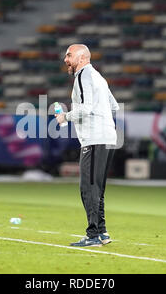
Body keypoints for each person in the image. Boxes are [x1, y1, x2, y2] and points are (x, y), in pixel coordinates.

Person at [55, 44, 119, 247]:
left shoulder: (83, 75)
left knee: (88, 188)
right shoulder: (99, 77)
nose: (66, 59)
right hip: (107, 137)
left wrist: (65, 116)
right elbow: (114, 107)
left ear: (82, 58)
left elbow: (86, 108)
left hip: (95, 139)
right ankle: (102, 232)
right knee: (97, 188)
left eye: (69, 55)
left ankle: (93, 235)